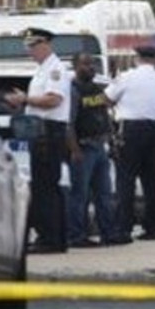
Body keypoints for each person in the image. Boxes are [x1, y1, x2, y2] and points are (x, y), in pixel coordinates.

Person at [5, 27, 73, 254]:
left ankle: (50, 238)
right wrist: (24, 102)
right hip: (41, 132)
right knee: (44, 186)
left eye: (32, 46)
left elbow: (53, 100)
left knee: (46, 188)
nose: (29, 51)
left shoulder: (55, 69)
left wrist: (26, 99)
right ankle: (52, 237)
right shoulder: (43, 70)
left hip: (49, 132)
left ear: (45, 44)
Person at [105, 44, 155, 243]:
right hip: (154, 130)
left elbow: (107, 98)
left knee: (126, 179)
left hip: (131, 129)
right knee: (152, 181)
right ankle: (154, 228)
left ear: (137, 58)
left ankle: (123, 228)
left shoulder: (127, 77)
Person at [67, 53, 120, 247]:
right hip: (83, 147)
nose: (90, 67)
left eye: (92, 64)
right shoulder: (73, 91)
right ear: (75, 67)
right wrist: (74, 150)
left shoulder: (97, 89)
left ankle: (109, 233)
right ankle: (77, 236)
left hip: (99, 147)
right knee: (79, 195)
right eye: (85, 64)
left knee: (104, 194)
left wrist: (112, 141)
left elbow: (105, 116)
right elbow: (69, 123)